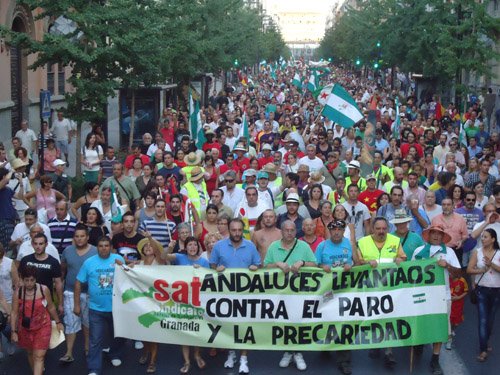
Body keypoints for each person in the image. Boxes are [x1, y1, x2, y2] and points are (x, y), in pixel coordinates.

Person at [209, 218, 261, 374]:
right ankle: (231, 354)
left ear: (243, 230)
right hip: (225, 295)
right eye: (234, 230)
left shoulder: (251, 246)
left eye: (239, 230)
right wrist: (216, 268)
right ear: (229, 230)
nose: (237, 233)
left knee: (244, 327)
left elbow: (259, 265)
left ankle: (244, 359)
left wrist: (255, 267)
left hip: (246, 295)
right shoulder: (219, 246)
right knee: (229, 326)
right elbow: (212, 265)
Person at [264, 220, 316, 371]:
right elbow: (265, 265)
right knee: (284, 323)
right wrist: (277, 264)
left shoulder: (303, 246)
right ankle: (288, 351)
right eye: (286, 230)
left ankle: (298, 352)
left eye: (292, 230)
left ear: (296, 231)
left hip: (300, 294)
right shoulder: (274, 246)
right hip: (280, 294)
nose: (289, 233)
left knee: (298, 323)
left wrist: (303, 262)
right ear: (281, 231)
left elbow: (315, 264)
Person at [357, 217, 406, 368]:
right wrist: (366, 262)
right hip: (370, 287)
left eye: (384, 228)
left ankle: (389, 351)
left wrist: (400, 259)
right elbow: (357, 262)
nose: (381, 231)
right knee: (374, 317)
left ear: (388, 229)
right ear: (372, 229)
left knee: (389, 318)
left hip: (390, 288)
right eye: (378, 229)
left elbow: (404, 258)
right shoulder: (363, 242)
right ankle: (375, 343)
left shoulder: (395, 241)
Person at [412, 224, 461, 375]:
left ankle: (435, 359)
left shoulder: (450, 252)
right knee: (421, 323)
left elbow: (458, 274)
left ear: (442, 237)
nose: (436, 236)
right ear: (429, 235)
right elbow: (410, 273)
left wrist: (447, 266)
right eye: (433, 233)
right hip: (421, 296)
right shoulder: (419, 251)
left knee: (439, 327)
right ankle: (419, 343)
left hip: (442, 296)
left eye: (439, 234)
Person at [74, 236, 126, 375]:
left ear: (111, 247)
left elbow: (129, 276)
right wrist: (77, 304)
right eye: (101, 245)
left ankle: (115, 354)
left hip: (117, 308)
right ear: (97, 247)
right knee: (95, 340)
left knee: (119, 335)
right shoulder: (89, 262)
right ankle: (94, 368)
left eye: (106, 245)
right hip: (95, 309)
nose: (104, 248)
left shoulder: (118, 259)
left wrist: (124, 267)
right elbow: (78, 282)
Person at [314, 219, 355, 374]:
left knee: (344, 323)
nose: (336, 232)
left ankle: (344, 359)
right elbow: (313, 264)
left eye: (339, 229)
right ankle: (326, 345)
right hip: (327, 291)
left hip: (345, 290)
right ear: (329, 231)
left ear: (343, 231)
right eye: (333, 230)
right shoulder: (322, 246)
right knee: (328, 320)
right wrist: (321, 266)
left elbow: (357, 262)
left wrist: (351, 265)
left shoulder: (349, 244)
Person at [10, 265, 64, 375]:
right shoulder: (18, 293)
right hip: (25, 328)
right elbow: (14, 313)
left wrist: (58, 322)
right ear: (22, 278)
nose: (29, 283)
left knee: (39, 356)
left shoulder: (44, 290)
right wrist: (13, 331)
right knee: (30, 354)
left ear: (36, 279)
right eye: (26, 280)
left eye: (32, 280)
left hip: (43, 326)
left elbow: (51, 307)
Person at [59, 224, 97, 363]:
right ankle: (69, 352)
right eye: (77, 236)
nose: (79, 239)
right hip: (69, 291)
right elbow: (62, 271)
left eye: (82, 236)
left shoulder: (95, 251)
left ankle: (87, 348)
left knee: (87, 322)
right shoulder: (67, 251)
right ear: (73, 238)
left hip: (89, 293)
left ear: (87, 237)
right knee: (70, 322)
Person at [466, 228, 500, 362]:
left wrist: (491, 265)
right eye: (482, 237)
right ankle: (483, 349)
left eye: (486, 237)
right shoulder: (477, 252)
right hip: (482, 290)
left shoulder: (498, 253)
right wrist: (481, 270)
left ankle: (485, 339)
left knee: (490, 320)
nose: (483, 239)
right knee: (483, 320)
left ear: (493, 239)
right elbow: (469, 269)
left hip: (496, 290)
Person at [136, 234, 165, 373]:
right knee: (143, 330)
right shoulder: (139, 263)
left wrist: (150, 239)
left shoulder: (159, 261)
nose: (148, 247)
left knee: (153, 331)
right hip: (141, 301)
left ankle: (153, 360)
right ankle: (146, 350)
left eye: (151, 246)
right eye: (145, 246)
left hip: (155, 301)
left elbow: (161, 255)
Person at [431, 198, 468, 264]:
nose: (446, 207)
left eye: (448, 205)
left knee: (456, 272)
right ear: (441, 206)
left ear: (453, 206)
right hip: (439, 250)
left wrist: (461, 241)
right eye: (444, 205)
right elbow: (431, 236)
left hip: (456, 250)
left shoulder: (460, 219)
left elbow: (465, 235)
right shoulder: (435, 219)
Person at [446, 272, 468, 350]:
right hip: (449, 304)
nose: (450, 274)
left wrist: (458, 297)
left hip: (458, 305)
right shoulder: (447, 279)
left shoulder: (462, 281)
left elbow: (466, 291)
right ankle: (449, 340)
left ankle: (451, 330)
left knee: (456, 323)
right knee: (449, 321)